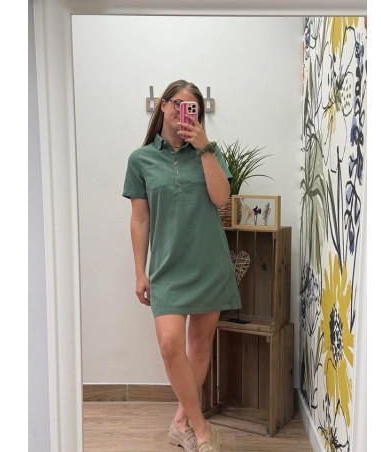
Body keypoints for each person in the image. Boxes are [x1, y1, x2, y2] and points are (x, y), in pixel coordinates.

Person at [122, 80, 241, 452]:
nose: (182, 112)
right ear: (162, 105)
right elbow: (140, 219)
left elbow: (221, 199)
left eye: (192, 108)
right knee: (170, 343)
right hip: (167, 268)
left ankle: (180, 422)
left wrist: (204, 148)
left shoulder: (210, 152)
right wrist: (140, 271)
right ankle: (201, 428)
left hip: (208, 263)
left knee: (199, 345)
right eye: (177, 103)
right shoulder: (140, 159)